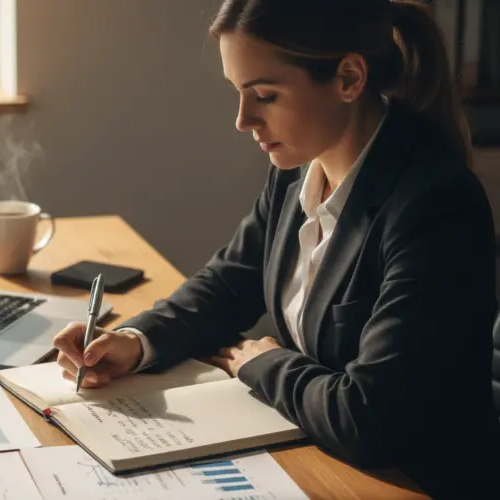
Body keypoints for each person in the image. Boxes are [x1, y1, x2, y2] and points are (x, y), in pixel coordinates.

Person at [53, 0, 500, 497]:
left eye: (264, 95)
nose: (243, 120)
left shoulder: (435, 208)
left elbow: (368, 420)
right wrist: (135, 343)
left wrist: (264, 363)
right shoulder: (294, 173)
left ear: (350, 78)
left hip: (411, 482)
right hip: (319, 455)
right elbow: (227, 285)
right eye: (238, 94)